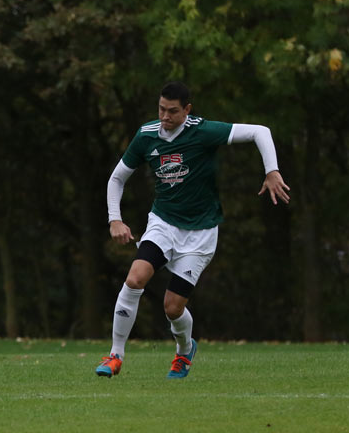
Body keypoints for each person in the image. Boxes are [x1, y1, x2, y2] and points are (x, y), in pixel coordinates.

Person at [96, 81, 291, 379]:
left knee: (172, 308)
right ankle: (115, 355)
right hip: (163, 224)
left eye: (173, 111)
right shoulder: (147, 135)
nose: (165, 116)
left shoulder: (203, 131)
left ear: (187, 110)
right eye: (161, 109)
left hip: (200, 233)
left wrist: (272, 170)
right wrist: (115, 219)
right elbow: (116, 179)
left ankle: (185, 350)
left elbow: (260, 131)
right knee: (135, 278)